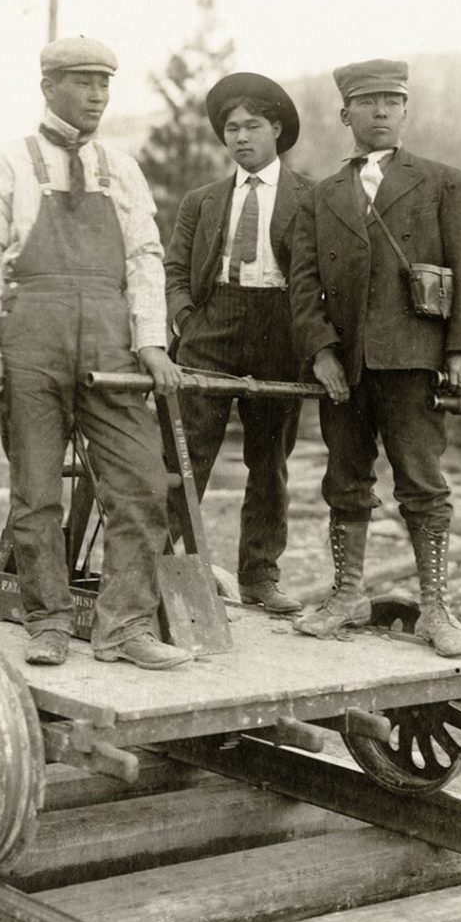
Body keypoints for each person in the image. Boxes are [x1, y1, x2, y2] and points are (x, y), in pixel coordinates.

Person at [0, 36, 191, 670]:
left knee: (144, 482)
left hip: (111, 339)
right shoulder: (4, 164)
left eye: (105, 83)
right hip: (32, 333)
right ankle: (50, 620)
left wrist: (150, 341)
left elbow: (146, 259)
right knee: (36, 490)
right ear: (48, 87)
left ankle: (125, 626)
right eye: (83, 82)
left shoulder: (123, 169)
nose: (97, 95)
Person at [288, 59, 461, 656]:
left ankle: (436, 609)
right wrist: (320, 351)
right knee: (345, 480)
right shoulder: (321, 197)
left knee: (422, 483)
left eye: (392, 102)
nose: (380, 112)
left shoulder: (443, 182)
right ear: (345, 113)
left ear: (405, 111)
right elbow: (303, 283)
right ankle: (347, 595)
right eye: (368, 103)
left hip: (415, 361)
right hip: (345, 368)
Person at [164, 73, 312, 613]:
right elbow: (175, 266)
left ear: (277, 129)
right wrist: (185, 318)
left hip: (280, 328)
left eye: (252, 126)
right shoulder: (202, 201)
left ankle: (259, 576)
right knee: (184, 454)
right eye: (231, 128)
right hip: (213, 324)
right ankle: (158, 569)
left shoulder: (310, 199)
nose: (241, 137)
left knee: (269, 461)